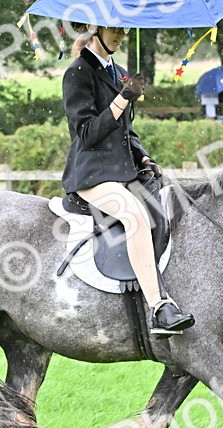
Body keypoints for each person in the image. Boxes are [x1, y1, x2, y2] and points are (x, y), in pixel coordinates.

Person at [61, 25, 193, 335]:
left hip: (125, 171)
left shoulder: (119, 71)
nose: (121, 35)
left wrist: (144, 156)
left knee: (174, 205)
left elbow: (125, 132)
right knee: (134, 216)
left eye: (125, 29)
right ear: (96, 29)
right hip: (92, 173)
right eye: (115, 29)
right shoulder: (77, 73)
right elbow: (88, 133)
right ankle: (158, 309)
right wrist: (123, 98)